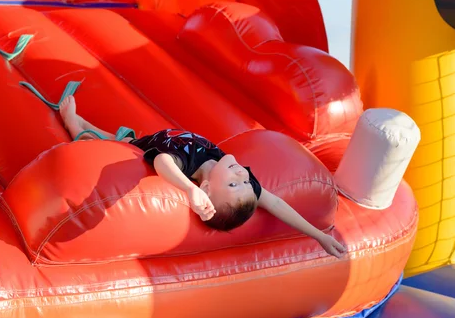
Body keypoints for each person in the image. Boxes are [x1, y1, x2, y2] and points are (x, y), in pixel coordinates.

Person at [59, 95, 347, 258]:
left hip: (135, 151)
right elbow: (275, 203)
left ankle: (77, 128)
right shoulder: (224, 166)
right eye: (246, 182)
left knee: (104, 141)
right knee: (118, 137)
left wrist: (189, 190)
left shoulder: (188, 166)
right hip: (146, 137)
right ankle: (85, 126)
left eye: (234, 184)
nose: (242, 176)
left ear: (206, 186)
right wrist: (318, 235)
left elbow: (162, 162)